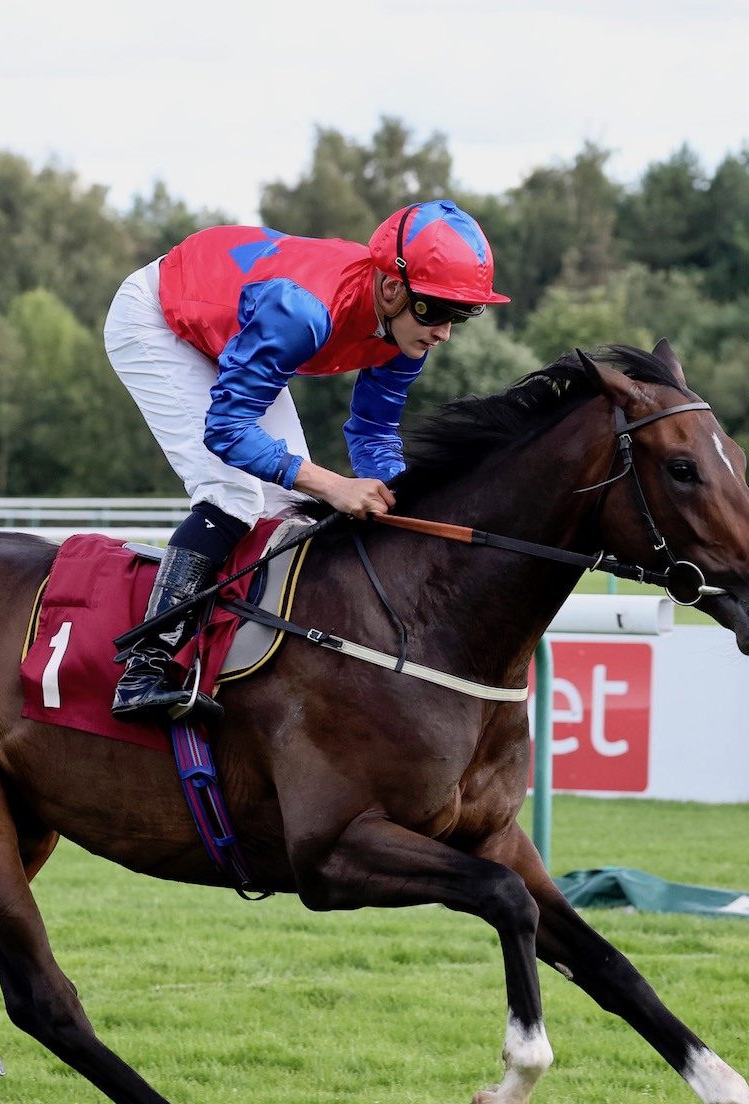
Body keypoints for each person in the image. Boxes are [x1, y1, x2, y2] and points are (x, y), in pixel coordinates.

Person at [102, 198, 509, 723]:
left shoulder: (404, 333)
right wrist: (335, 484)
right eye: (436, 311)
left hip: (233, 327)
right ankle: (145, 667)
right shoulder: (303, 312)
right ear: (391, 288)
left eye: (461, 315)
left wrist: (405, 506)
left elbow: (374, 431)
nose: (444, 332)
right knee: (235, 495)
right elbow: (226, 431)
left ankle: (246, 660)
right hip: (159, 319)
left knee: (287, 507)